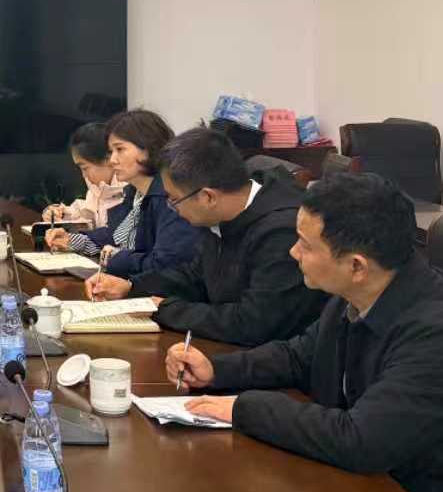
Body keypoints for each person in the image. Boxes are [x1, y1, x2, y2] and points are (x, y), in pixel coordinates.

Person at [167, 172, 443, 492]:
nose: (293, 252)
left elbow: (362, 441)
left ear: (356, 266)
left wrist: (244, 408)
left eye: (305, 245)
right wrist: (217, 370)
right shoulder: (357, 292)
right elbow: (299, 356)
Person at [87, 126, 327, 345]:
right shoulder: (220, 217)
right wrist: (132, 287)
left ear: (208, 197)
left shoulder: (282, 232)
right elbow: (196, 276)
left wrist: (165, 309)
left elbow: (254, 323)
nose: (172, 208)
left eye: (174, 200)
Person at [43, 108, 200, 278]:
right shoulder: (135, 192)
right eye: (111, 152)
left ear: (148, 148)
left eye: (120, 149)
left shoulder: (170, 198)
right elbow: (114, 234)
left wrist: (115, 258)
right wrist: (72, 240)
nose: (112, 160)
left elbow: (166, 263)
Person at [40, 120, 127, 227]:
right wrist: (60, 214)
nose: (83, 175)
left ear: (107, 159)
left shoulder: (131, 194)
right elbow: (84, 216)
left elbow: (108, 233)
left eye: (85, 168)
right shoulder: (96, 190)